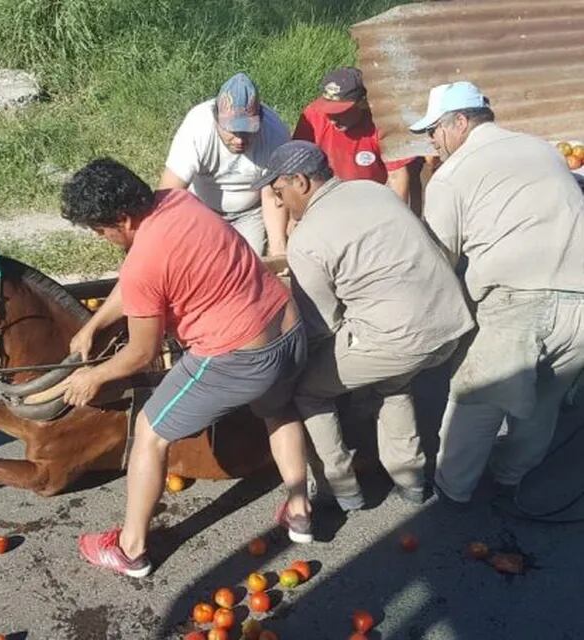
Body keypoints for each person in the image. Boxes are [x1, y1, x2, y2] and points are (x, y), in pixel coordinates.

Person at [60, 157, 311, 578]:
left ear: (122, 218)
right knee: (277, 409)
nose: (99, 237)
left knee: (150, 430)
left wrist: (95, 375)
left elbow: (141, 353)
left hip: (236, 356)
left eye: (98, 229)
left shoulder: (143, 262)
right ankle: (300, 509)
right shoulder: (178, 202)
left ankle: (131, 549)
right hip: (287, 329)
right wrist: (96, 322)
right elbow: (138, 276)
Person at [255, 141, 473, 511]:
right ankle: (411, 479)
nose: (280, 203)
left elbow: (322, 325)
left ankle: (342, 488)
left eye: (280, 192)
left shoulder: (307, 239)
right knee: (394, 379)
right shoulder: (374, 191)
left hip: (401, 338)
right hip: (451, 321)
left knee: (309, 388)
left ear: (302, 182)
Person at [409, 81, 584, 505]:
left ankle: (454, 489)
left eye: (434, 129)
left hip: (517, 301)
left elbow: (440, 259)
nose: (432, 140)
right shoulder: (541, 149)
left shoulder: (450, 177)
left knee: (478, 398)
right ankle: (510, 476)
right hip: (581, 298)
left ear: (461, 122)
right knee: (545, 397)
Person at [159, 72, 291, 256]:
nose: (239, 140)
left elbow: (273, 195)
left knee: (247, 264)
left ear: (260, 120)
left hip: (249, 213)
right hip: (201, 209)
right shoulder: (197, 128)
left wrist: (278, 248)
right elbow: (170, 194)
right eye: (231, 131)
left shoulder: (275, 133)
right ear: (216, 120)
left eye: (247, 131)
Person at [292, 67, 416, 205]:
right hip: (326, 195)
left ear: (362, 103)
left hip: (371, 196)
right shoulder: (313, 115)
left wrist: (396, 215)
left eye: (341, 112)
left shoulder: (383, 122)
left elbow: (397, 176)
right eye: (328, 111)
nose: (332, 120)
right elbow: (296, 165)